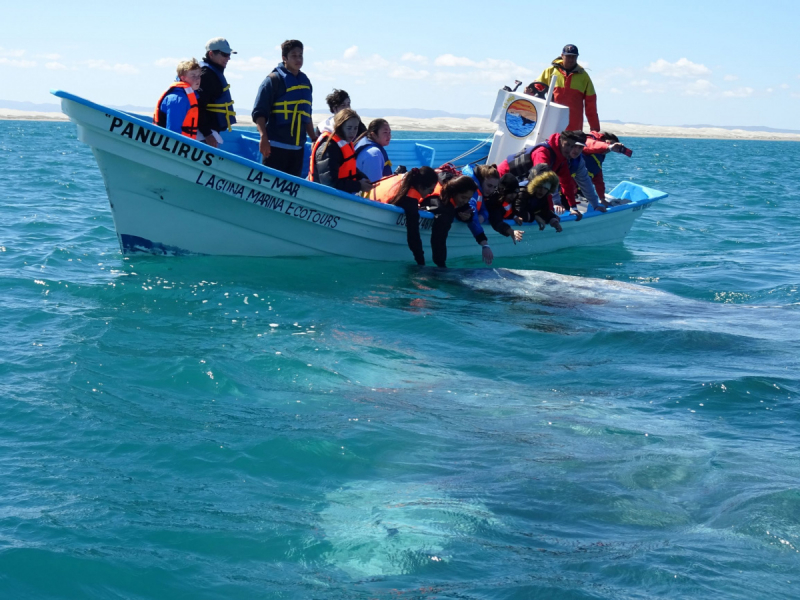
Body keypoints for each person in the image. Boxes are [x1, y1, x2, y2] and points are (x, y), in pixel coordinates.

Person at [500, 130, 605, 218]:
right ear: (560, 142)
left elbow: (567, 183)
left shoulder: (562, 159)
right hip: (504, 179)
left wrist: (574, 208)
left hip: (524, 184)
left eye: (572, 146)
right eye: (567, 145)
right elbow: (543, 182)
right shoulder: (542, 153)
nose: (570, 150)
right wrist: (551, 210)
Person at [252, 40, 317, 177]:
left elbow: (306, 115)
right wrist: (263, 138)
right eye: (294, 55)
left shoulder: (305, 82)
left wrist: (314, 139)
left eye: (300, 55)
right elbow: (259, 113)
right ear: (284, 58)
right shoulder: (272, 81)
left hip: (297, 150)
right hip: (275, 147)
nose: (298, 59)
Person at [370, 166, 439, 265]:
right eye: (430, 191)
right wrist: (421, 264)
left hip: (362, 196)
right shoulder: (409, 201)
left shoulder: (406, 178)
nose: (429, 194)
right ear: (420, 187)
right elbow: (413, 237)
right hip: (369, 207)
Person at [430, 176, 493, 268]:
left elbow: (469, 213)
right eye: (463, 197)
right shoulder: (441, 206)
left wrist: (467, 217)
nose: (465, 201)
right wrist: (441, 266)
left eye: (468, 198)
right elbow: (438, 240)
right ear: (454, 192)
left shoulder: (461, 201)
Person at [535, 45, 600, 132]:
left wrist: (594, 128)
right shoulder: (550, 71)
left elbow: (591, 105)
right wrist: (528, 91)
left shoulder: (584, 76)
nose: (571, 59)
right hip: (551, 120)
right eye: (568, 56)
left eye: (573, 57)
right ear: (562, 55)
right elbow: (535, 89)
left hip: (573, 125)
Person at [308, 108, 371, 194]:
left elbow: (347, 168)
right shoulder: (329, 148)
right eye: (349, 128)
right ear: (340, 127)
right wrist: (359, 185)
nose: (353, 132)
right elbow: (329, 183)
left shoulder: (344, 143)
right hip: (323, 198)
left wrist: (362, 178)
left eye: (355, 128)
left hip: (340, 197)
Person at [197, 38, 237, 148]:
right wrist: (207, 134)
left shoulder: (212, 73)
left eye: (229, 54)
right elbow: (197, 106)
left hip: (207, 132)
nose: (228, 58)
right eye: (224, 54)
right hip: (202, 135)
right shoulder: (206, 75)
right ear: (211, 54)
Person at [153, 58, 202, 139]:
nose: (197, 79)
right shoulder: (178, 99)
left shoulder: (188, 96)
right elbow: (173, 131)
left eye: (199, 76)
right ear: (183, 78)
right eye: (193, 76)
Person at [583, 131, 628, 201]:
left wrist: (602, 199)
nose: (611, 148)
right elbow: (590, 145)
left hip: (579, 191)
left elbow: (598, 180)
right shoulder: (588, 140)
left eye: (614, 147)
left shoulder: (598, 157)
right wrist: (608, 146)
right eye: (609, 143)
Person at [481, 174, 526, 243]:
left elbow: (507, 211)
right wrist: (511, 231)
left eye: (515, 193)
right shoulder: (494, 202)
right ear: (503, 192)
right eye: (510, 193)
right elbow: (496, 221)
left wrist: (514, 216)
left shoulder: (510, 201)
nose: (513, 196)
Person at [516, 165, 562, 232]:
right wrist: (535, 217)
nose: (542, 191)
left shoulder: (543, 196)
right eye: (540, 186)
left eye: (546, 188)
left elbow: (544, 211)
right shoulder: (522, 191)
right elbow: (518, 211)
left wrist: (553, 220)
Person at [354, 119, 393, 183]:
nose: (389, 136)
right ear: (373, 135)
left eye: (389, 132)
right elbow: (375, 185)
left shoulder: (363, 142)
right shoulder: (373, 154)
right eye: (385, 132)